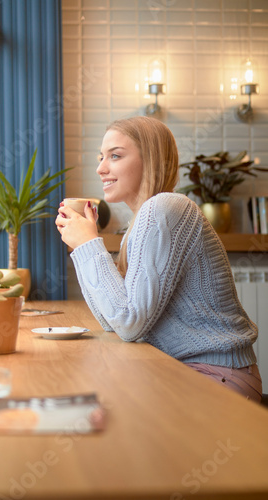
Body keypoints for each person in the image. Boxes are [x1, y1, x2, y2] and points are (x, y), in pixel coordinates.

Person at [55, 116, 262, 403]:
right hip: (188, 369)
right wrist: (80, 248)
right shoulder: (138, 225)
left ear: (150, 159)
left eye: (115, 156)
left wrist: (89, 244)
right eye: (101, 157)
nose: (101, 168)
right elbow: (111, 320)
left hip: (215, 375)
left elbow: (128, 324)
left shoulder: (166, 208)